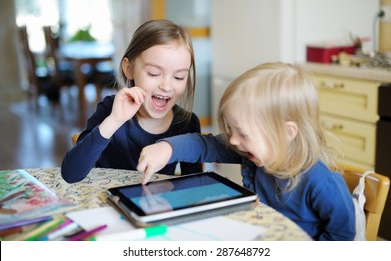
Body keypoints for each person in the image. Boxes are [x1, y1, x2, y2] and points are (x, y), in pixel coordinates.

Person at [136, 62, 356, 241]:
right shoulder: (250, 153)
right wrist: (167, 148)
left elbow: (342, 236)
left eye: (243, 133)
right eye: (231, 130)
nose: (233, 139)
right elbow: (205, 145)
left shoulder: (321, 182)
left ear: (286, 132)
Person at [61, 19, 202, 183]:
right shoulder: (110, 110)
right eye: (154, 73)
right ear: (129, 69)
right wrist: (113, 121)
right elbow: (71, 174)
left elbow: (194, 185)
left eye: (179, 77)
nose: (166, 86)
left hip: (156, 205)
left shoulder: (187, 123)